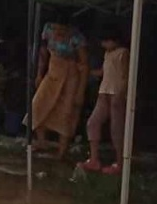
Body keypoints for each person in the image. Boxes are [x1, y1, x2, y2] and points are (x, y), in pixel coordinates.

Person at [31, 10, 89, 161]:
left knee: (66, 113)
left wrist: (80, 91)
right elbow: (43, 52)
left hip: (71, 76)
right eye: (56, 29)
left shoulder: (77, 38)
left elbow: (84, 65)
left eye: (62, 30)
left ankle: (62, 151)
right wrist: (39, 73)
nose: (58, 32)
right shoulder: (47, 29)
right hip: (52, 71)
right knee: (38, 104)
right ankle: (41, 141)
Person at [81, 29, 130, 175]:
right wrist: (87, 71)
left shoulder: (123, 53)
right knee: (93, 122)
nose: (103, 45)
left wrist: (120, 93)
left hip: (116, 93)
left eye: (106, 41)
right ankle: (94, 159)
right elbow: (104, 71)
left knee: (116, 129)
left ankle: (120, 163)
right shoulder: (107, 53)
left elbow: (126, 75)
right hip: (104, 91)